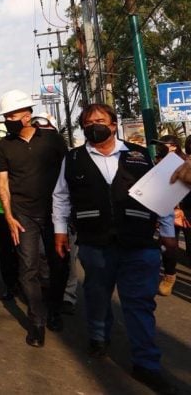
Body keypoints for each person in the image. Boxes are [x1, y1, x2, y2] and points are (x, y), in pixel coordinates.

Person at [53, 103, 177, 395]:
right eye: (88, 122)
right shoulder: (72, 159)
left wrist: (169, 233)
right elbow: (60, 197)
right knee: (96, 295)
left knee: (140, 304)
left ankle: (146, 364)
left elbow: (162, 195)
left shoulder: (140, 156)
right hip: (95, 243)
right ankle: (98, 337)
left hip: (139, 242)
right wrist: (60, 232)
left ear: (113, 124)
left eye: (100, 120)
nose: (93, 125)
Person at [0, 89, 68, 347]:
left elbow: (67, 177)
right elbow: (3, 184)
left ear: (26, 115)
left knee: (58, 264)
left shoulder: (53, 141)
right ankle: (37, 321)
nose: (8, 120)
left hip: (55, 213)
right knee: (28, 268)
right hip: (23, 214)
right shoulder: (3, 146)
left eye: (11, 115)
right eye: (5, 116)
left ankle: (55, 310)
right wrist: (9, 216)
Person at [151, 135, 185, 297]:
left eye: (163, 146)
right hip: (166, 212)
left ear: (173, 146)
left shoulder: (187, 162)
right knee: (167, 246)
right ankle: (169, 276)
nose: (159, 149)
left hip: (187, 211)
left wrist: (182, 208)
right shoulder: (157, 164)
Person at [0, 123, 19, 300]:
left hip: (18, 213)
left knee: (23, 252)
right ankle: (10, 285)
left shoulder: (16, 158)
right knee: (5, 253)